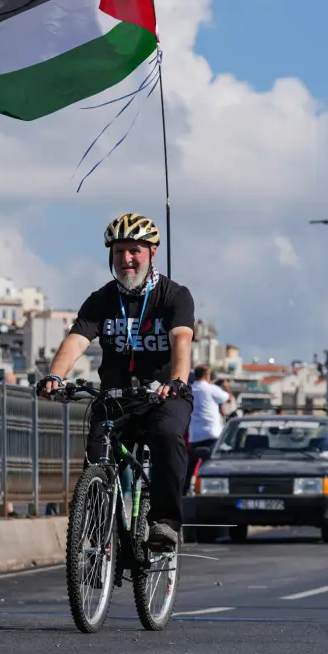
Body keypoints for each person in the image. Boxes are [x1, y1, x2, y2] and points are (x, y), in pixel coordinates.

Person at [36, 213, 196, 547]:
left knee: (167, 437)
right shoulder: (102, 299)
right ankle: (97, 544)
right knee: (97, 456)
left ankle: (166, 522)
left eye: (134, 250)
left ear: (152, 252)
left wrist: (178, 381)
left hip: (163, 396)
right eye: (119, 251)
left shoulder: (174, 295)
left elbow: (181, 338)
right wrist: (55, 375)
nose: (126, 259)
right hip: (115, 398)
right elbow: (77, 339)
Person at [186, 364, 230, 490]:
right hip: (211, 434)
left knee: (190, 467)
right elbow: (228, 398)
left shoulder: (190, 388)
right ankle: (209, 489)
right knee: (211, 465)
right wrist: (226, 386)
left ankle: (184, 491)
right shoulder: (211, 389)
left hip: (194, 435)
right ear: (207, 375)